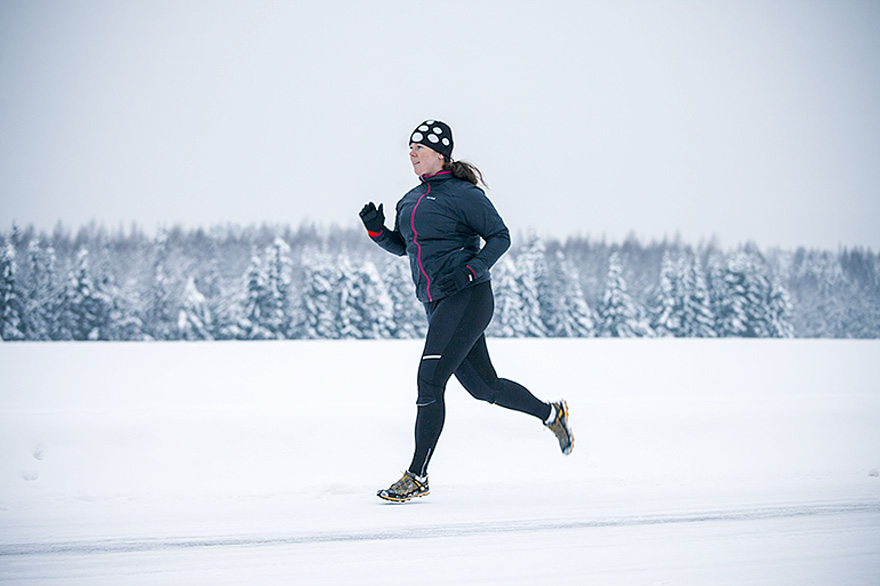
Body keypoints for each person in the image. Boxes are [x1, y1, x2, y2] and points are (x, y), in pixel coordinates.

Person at [359, 119, 573, 503]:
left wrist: (471, 269)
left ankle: (416, 475)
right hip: (437, 301)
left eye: (418, 147)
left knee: (429, 380)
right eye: (409, 147)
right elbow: (403, 247)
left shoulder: (465, 195)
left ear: (440, 153)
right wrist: (377, 232)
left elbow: (500, 237)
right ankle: (551, 414)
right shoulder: (408, 200)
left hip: (469, 296)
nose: (411, 153)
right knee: (484, 388)